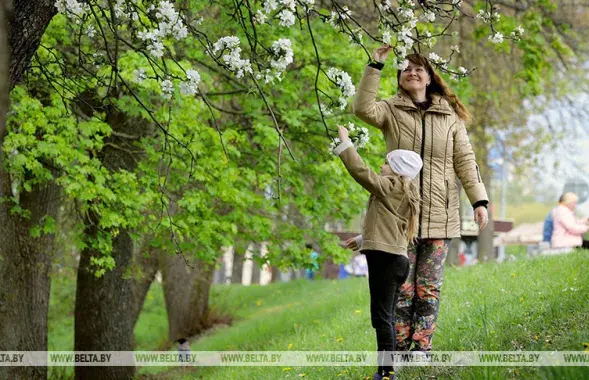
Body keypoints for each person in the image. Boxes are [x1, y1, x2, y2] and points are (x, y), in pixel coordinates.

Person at [354, 46, 489, 356]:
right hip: (401, 217)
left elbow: (465, 160)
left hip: (442, 214)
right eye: (405, 69)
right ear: (400, 78)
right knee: (401, 288)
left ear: (429, 77)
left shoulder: (450, 115)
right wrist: (376, 64)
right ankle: (399, 349)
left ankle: (421, 350)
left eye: (418, 69)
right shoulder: (390, 109)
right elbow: (362, 109)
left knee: (428, 288)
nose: (411, 72)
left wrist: (479, 200)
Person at [333, 124, 422, 380]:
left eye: (385, 163)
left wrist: (345, 143)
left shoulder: (390, 185)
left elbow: (361, 172)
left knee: (381, 317)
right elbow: (390, 225)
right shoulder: (403, 191)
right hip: (395, 258)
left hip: (385, 260)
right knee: (386, 316)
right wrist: (363, 240)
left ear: (397, 170)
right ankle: (386, 370)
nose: (381, 167)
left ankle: (387, 373)